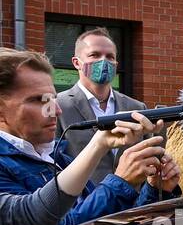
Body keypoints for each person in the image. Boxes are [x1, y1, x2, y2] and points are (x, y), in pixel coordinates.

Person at [0, 49, 177, 225]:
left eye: (53, 98)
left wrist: (154, 188)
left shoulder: (56, 158)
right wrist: (121, 181)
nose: (56, 110)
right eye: (39, 100)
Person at [54, 27, 151, 185]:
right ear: (76, 62)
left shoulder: (136, 107)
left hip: (132, 204)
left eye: (110, 57)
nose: (104, 61)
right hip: (83, 205)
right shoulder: (58, 106)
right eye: (95, 55)